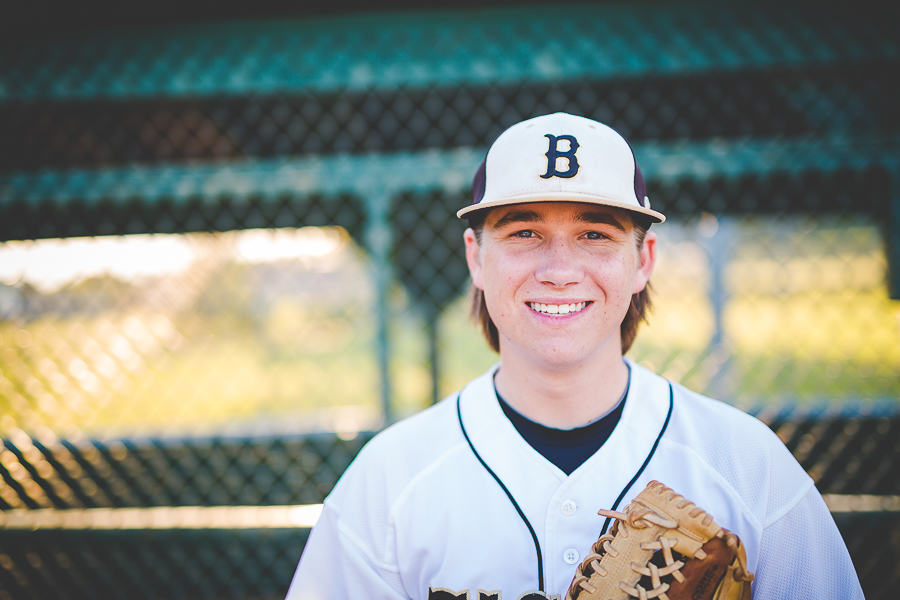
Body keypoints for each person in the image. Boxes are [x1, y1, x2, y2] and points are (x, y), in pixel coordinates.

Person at [285, 113, 863, 599]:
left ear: (643, 259)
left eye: (594, 234)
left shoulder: (744, 465)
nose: (559, 271)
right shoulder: (389, 481)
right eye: (524, 233)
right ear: (476, 258)